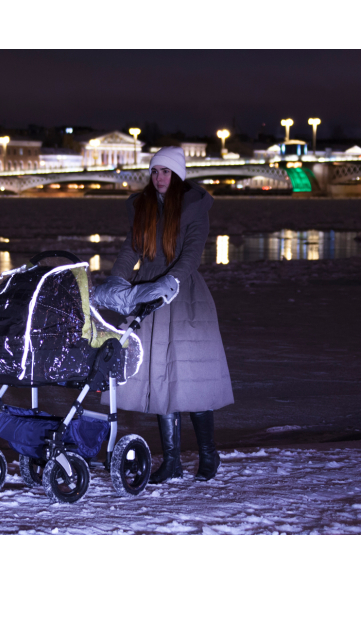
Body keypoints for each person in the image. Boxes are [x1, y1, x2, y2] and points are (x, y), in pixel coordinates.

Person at [98, 146, 234, 484]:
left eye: (166, 172)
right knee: (160, 377)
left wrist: (170, 281)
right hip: (148, 294)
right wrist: (117, 280)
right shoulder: (143, 206)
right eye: (155, 171)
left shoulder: (194, 207)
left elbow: (190, 256)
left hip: (183, 294)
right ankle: (171, 461)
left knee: (190, 379)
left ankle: (208, 455)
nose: (159, 178)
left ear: (178, 175)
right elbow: (130, 249)